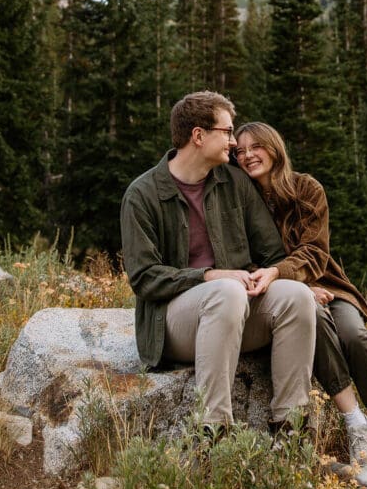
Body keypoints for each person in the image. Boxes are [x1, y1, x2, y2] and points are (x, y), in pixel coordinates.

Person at [120, 91, 316, 434]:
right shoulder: (143, 194)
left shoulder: (236, 184)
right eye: (226, 132)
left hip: (235, 310)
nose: (234, 141)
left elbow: (272, 255)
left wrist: (265, 277)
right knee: (226, 291)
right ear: (198, 136)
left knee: (296, 297)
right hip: (173, 326)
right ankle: (212, 430)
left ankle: (290, 427)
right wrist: (210, 276)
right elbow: (144, 278)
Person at [234, 121, 367, 488]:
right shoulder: (240, 200)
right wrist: (295, 287)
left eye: (255, 147)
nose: (247, 155)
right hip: (281, 296)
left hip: (328, 284)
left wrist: (295, 278)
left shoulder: (306, 189)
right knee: (311, 316)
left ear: (274, 147)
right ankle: (356, 427)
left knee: (357, 337)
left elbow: (316, 250)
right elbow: (240, 257)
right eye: (239, 150)